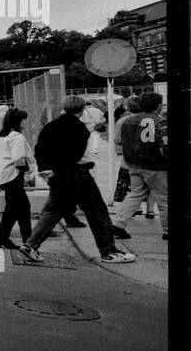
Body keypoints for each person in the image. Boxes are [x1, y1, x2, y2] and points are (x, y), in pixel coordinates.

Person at [19, 95, 134, 264]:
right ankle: (108, 251)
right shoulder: (79, 128)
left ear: (64, 108)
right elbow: (73, 155)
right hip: (76, 174)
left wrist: (46, 170)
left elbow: (40, 149)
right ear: (81, 110)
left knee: (54, 210)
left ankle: (31, 245)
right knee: (97, 212)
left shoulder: (50, 126)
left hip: (55, 175)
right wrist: (57, 170)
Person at [112, 91, 167, 243]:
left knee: (135, 194)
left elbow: (121, 141)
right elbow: (164, 144)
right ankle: (168, 230)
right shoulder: (160, 121)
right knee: (164, 199)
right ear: (157, 106)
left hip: (133, 164)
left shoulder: (127, 120)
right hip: (155, 165)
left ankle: (118, 223)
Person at [0, 108, 37, 250]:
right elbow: (18, 159)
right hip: (13, 175)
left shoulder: (2, 135)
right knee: (19, 208)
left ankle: (9, 238)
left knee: (15, 208)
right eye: (23, 119)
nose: (25, 122)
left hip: (3, 175)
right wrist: (28, 171)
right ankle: (26, 241)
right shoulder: (17, 137)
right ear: (17, 121)